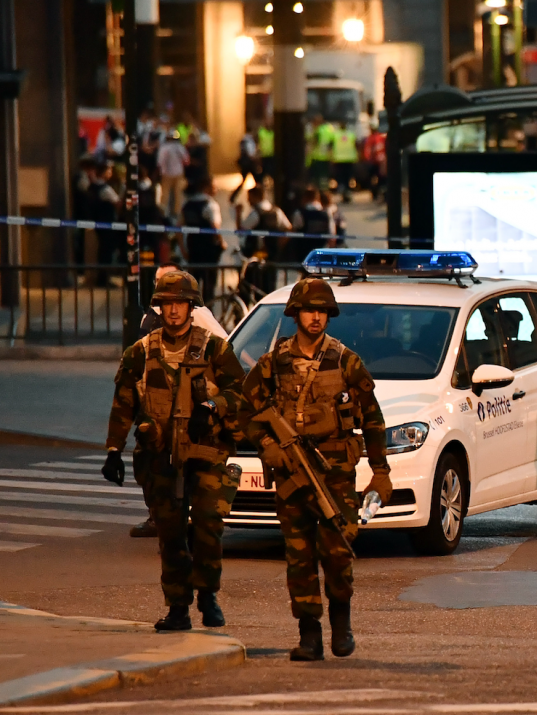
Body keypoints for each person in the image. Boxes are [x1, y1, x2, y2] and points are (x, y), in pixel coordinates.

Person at [240, 278, 392, 661]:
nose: (316, 317)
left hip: (336, 474)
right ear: (295, 314)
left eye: (322, 311)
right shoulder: (275, 361)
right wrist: (268, 448)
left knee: (338, 554)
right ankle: (309, 635)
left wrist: (380, 470)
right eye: (310, 310)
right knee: (299, 557)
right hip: (292, 477)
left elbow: (372, 418)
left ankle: (342, 628)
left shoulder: (345, 361)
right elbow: (246, 409)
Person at [101, 270, 245, 631]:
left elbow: (239, 392)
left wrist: (212, 408)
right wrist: (114, 449)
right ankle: (178, 607)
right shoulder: (142, 351)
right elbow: (123, 402)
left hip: (206, 452)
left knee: (209, 524)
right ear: (159, 308)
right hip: (161, 456)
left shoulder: (214, 348)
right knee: (171, 532)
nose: (173, 310)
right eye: (166, 304)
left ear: (191, 306)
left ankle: (208, 594)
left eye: (180, 303)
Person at [238, 186, 292, 296]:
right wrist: (279, 244)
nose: (248, 201)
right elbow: (288, 228)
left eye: (249, 197)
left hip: (255, 256)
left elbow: (241, 230)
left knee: (248, 288)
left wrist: (238, 213)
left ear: (256, 196)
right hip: (272, 256)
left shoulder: (255, 213)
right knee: (269, 289)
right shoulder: (276, 211)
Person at [179, 178, 225, 305]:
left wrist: (183, 249)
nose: (216, 189)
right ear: (206, 188)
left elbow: (178, 228)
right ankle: (207, 314)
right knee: (209, 286)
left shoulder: (187, 205)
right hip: (209, 250)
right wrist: (222, 243)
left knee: (193, 285)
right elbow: (215, 227)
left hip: (193, 248)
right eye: (214, 186)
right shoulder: (210, 204)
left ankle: (194, 314)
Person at [88, 161, 122, 286]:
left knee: (102, 251)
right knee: (106, 252)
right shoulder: (105, 189)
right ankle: (103, 279)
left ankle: (102, 278)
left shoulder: (92, 187)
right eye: (109, 171)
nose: (110, 173)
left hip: (98, 223)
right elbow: (118, 203)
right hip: (108, 224)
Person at [288, 186, 335, 264]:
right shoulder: (326, 214)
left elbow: (294, 232)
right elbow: (332, 237)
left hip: (304, 255)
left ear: (305, 198)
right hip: (322, 254)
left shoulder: (300, 213)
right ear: (317, 197)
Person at [156, 130, 189, 216]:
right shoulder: (180, 147)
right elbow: (186, 160)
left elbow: (160, 162)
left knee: (165, 194)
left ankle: (163, 212)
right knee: (178, 193)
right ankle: (177, 212)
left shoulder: (163, 148)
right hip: (178, 173)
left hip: (166, 174)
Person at [330, 121, 359, 203]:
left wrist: (331, 157)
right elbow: (356, 145)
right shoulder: (351, 134)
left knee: (341, 178)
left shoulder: (335, 135)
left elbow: (331, 146)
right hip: (349, 159)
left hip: (339, 159)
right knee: (348, 178)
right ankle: (347, 193)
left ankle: (343, 191)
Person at [231, 125, 261, 199]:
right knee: (257, 180)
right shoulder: (249, 140)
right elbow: (250, 152)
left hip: (246, 163)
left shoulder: (243, 140)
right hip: (249, 163)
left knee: (244, 181)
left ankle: (233, 197)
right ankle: (259, 195)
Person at [308, 115, 334, 191]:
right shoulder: (329, 129)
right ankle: (324, 189)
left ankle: (319, 190)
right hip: (326, 157)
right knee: (324, 176)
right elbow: (331, 144)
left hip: (317, 157)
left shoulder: (318, 131)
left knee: (317, 176)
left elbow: (314, 142)